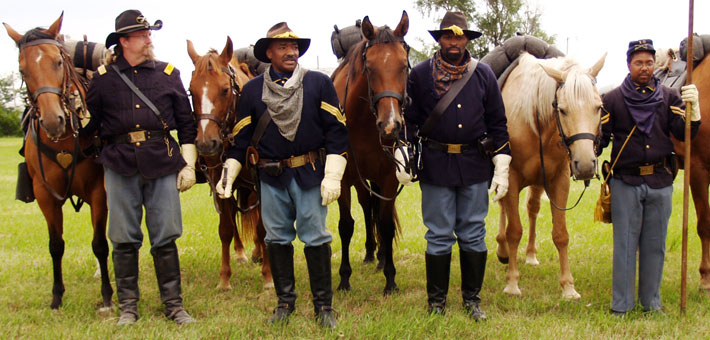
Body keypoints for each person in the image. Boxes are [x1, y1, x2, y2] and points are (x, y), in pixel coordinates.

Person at [215, 22, 348, 328]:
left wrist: (333, 174)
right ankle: (285, 303)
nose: (291, 52)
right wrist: (229, 173)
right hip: (271, 178)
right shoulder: (251, 91)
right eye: (283, 47)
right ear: (269, 53)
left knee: (316, 238)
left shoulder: (318, 84)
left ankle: (323, 307)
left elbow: (337, 133)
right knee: (276, 239)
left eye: (294, 47)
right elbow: (241, 140)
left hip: (311, 174)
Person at [84, 9, 197, 325]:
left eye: (149, 34)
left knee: (165, 236)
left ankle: (174, 306)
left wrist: (188, 165)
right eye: (143, 35)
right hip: (119, 164)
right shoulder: (103, 80)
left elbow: (186, 124)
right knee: (123, 237)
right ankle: (128, 308)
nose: (149, 39)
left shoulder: (168, 74)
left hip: (161, 161)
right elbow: (89, 125)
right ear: (124, 41)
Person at [398, 11, 511, 320]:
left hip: (475, 165)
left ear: (466, 40)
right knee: (438, 234)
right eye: (447, 36)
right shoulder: (419, 75)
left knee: (473, 232)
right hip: (435, 164)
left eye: (459, 36)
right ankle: (437, 302)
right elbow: (408, 119)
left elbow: (498, 123)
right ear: (440, 40)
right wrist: (403, 152)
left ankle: (472, 300)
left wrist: (502, 164)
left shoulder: (484, 74)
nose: (453, 41)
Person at [599, 39, 701, 316]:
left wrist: (695, 113)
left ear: (654, 63)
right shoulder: (611, 100)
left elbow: (684, 134)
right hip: (625, 182)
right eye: (638, 63)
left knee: (655, 247)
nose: (644, 68)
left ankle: (651, 304)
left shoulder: (670, 98)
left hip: (660, 181)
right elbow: (600, 141)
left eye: (648, 62)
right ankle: (621, 306)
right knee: (625, 246)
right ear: (629, 65)